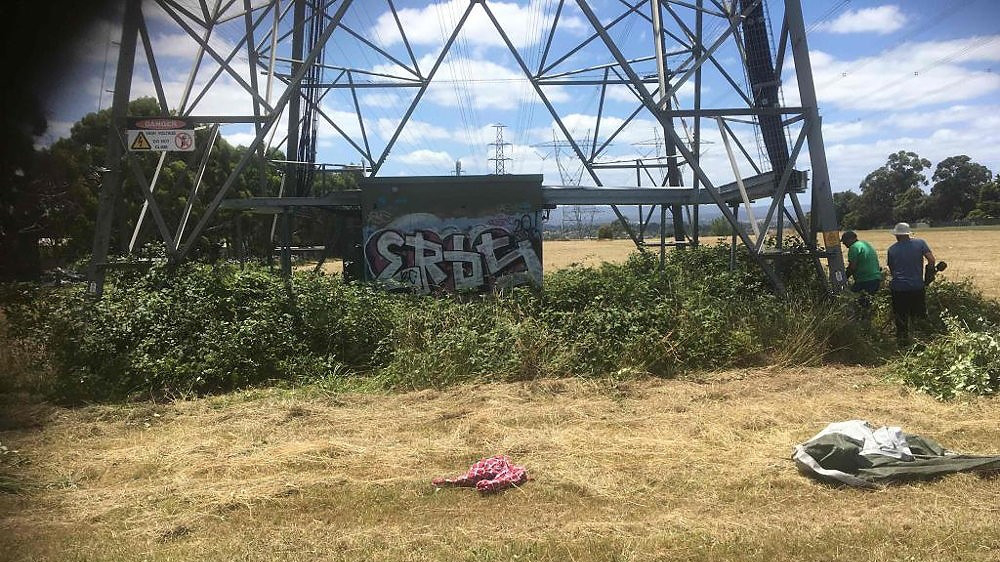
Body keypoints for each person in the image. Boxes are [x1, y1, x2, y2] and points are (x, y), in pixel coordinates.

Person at [886, 222, 936, 346]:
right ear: (908, 234)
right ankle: (921, 342)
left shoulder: (892, 249)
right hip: (917, 286)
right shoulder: (920, 243)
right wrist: (929, 275)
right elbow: (931, 260)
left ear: (897, 235)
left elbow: (892, 269)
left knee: (901, 317)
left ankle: (903, 343)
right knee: (919, 316)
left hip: (898, 288)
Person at [841, 230, 881, 310]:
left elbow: (852, 267)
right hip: (875, 278)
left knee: (850, 298)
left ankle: (858, 319)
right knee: (867, 304)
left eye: (844, 241)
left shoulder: (853, 248)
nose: (843, 243)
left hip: (865, 280)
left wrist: (843, 279)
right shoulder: (865, 244)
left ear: (850, 239)